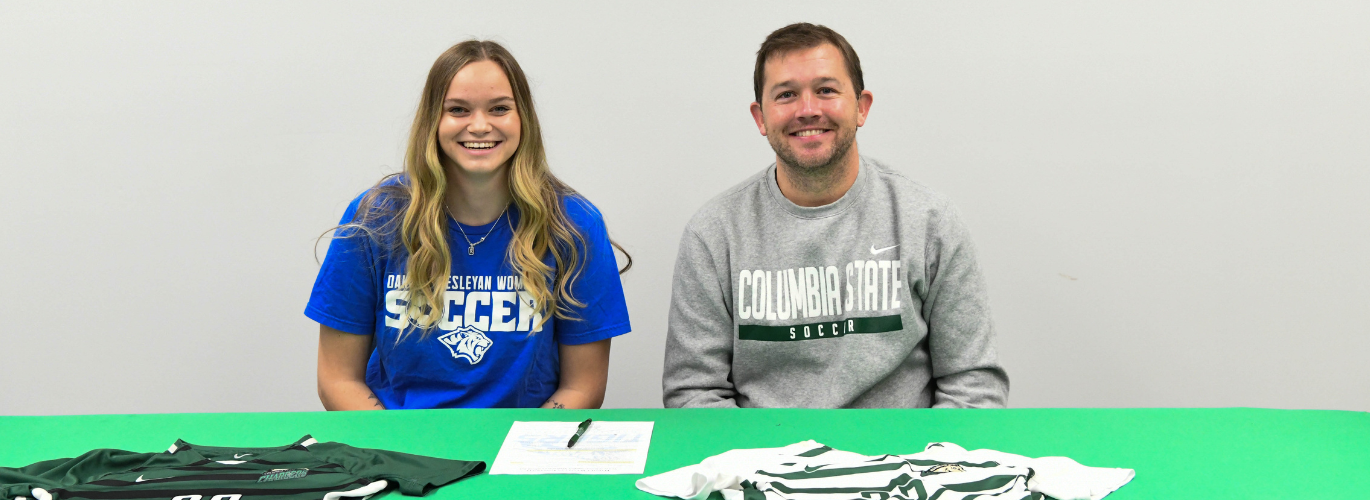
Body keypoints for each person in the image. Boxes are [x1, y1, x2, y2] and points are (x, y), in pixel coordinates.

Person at [662, 23, 1008, 409]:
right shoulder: (714, 234)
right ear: (761, 118)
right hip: (763, 464)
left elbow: (973, 386)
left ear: (861, 107)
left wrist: (916, 465)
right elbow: (694, 393)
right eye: (787, 94)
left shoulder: (929, 221)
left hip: (902, 461)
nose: (808, 110)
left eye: (826, 90)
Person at [307, 40, 631, 410]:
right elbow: (337, 379)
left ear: (522, 118)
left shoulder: (573, 225)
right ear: (433, 121)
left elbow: (582, 388)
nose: (479, 126)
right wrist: (399, 456)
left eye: (499, 109)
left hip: (522, 450)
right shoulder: (375, 218)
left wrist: (525, 455)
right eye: (458, 110)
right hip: (399, 449)